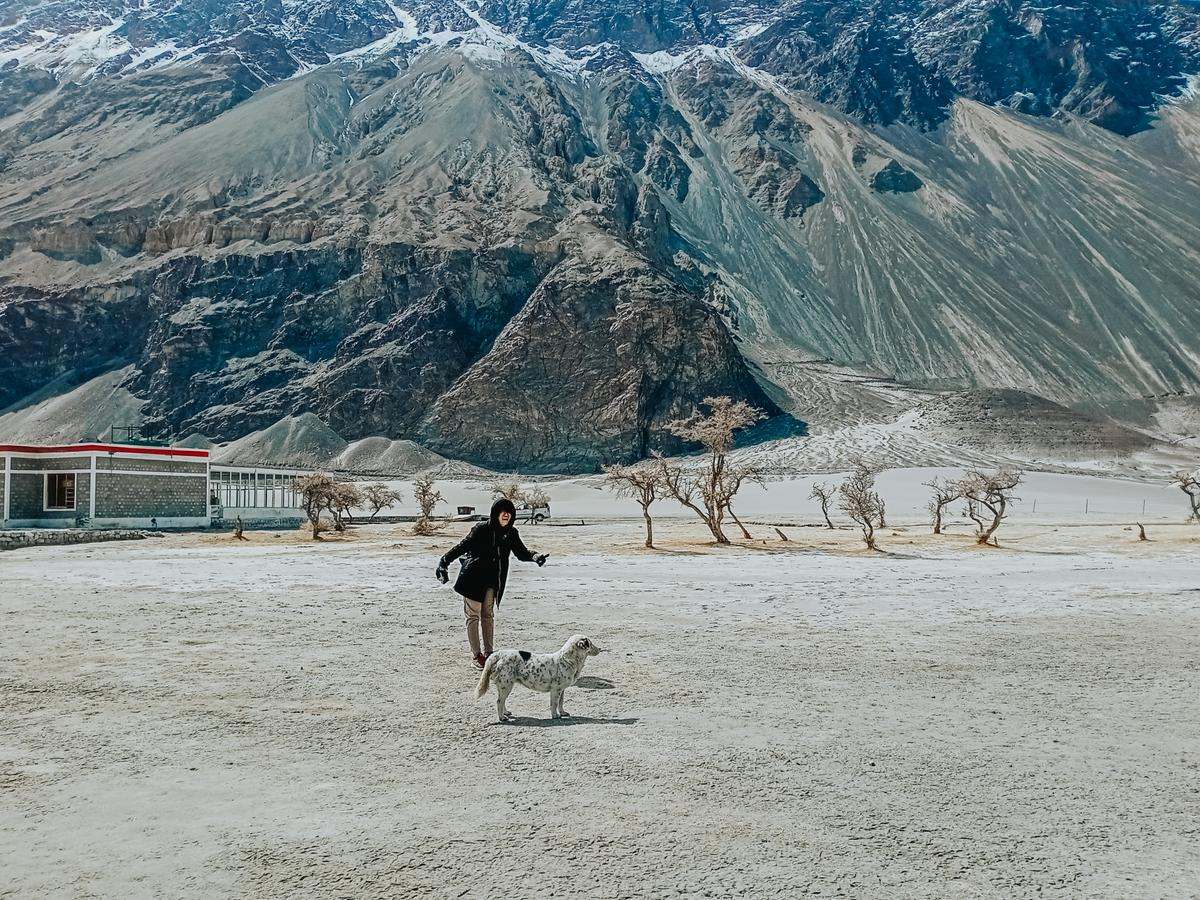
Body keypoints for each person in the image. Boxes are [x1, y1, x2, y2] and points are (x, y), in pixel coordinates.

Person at [436, 497, 548, 669]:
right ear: (495, 513)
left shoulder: (511, 533)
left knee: (488, 615)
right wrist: (444, 561)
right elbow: (462, 547)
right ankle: (476, 655)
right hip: (473, 579)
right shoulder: (482, 529)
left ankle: (489, 653)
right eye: (502, 512)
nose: (506, 515)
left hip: (492, 582)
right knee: (473, 616)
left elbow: (521, 552)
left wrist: (535, 556)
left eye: (509, 512)